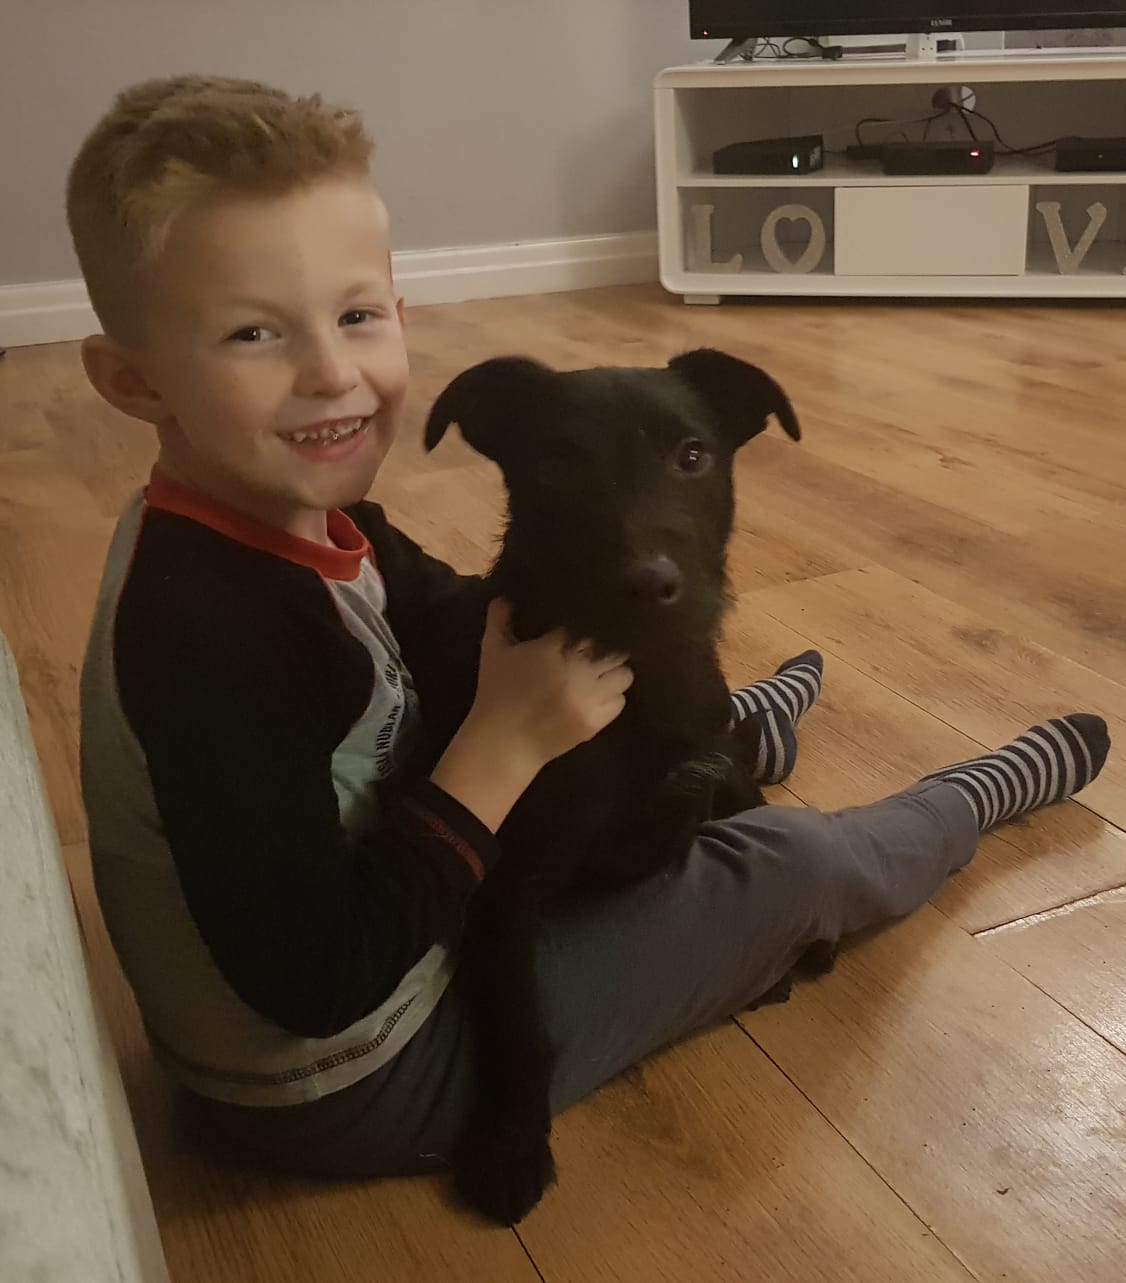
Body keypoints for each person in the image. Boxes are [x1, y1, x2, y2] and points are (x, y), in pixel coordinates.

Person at [72, 76, 1109, 1192]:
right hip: (361, 1075)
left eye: (356, 315)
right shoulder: (209, 637)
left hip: (394, 944)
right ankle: (972, 797)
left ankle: (720, 735)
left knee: (670, 710)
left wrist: (603, 687)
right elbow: (320, 983)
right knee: (801, 859)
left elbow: (452, 609)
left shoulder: (285, 520)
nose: (330, 371)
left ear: (400, 315)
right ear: (133, 380)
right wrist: (502, 749)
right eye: (252, 332)